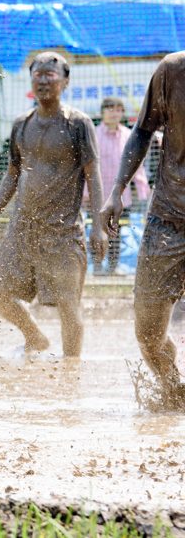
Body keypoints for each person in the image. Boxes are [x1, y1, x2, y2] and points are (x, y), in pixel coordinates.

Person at [0, 52, 107, 357]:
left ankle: (71, 368)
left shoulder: (79, 123)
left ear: (65, 81)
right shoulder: (22, 124)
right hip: (23, 228)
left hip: (63, 233)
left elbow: (94, 174)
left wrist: (99, 228)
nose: (43, 79)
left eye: (50, 74)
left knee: (68, 306)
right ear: (31, 80)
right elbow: (13, 173)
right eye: (38, 74)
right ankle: (35, 337)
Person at [100, 53, 185, 396]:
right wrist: (115, 191)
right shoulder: (172, 71)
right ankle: (174, 391)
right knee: (148, 333)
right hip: (167, 218)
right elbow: (142, 131)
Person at [90, 97, 150, 275]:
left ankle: (112, 268)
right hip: (97, 195)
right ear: (102, 112)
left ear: (122, 113)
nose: (114, 113)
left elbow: (137, 165)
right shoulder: (93, 134)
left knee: (116, 232)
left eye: (118, 109)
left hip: (121, 197)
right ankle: (97, 268)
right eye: (110, 109)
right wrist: (86, 194)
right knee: (96, 230)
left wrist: (142, 189)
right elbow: (87, 165)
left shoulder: (128, 135)